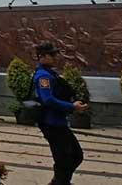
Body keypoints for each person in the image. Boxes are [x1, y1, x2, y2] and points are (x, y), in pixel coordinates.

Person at [32, 42, 88, 185]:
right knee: (64, 159)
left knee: (75, 155)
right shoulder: (43, 76)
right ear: (42, 56)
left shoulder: (50, 73)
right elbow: (48, 100)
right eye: (52, 54)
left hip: (59, 122)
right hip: (51, 123)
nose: (56, 57)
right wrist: (72, 107)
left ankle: (60, 181)